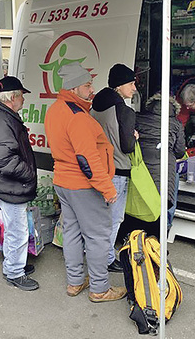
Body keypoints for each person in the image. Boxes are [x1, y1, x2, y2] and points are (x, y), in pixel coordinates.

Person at [45, 62, 126, 302]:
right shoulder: (78, 117)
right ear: (74, 88)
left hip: (63, 181)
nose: (92, 89)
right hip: (83, 185)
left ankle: (75, 282)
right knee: (98, 236)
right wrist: (108, 189)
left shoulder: (55, 109)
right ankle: (100, 288)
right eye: (87, 85)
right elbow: (87, 160)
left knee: (71, 233)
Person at [0, 76, 39, 291]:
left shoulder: (0, 115)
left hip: (6, 185)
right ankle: (15, 272)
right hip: (12, 186)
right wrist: (29, 175)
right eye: (22, 95)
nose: (23, 99)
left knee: (13, 227)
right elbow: (6, 161)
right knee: (18, 230)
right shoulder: (3, 119)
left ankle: (15, 263)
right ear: (13, 97)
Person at [91, 63, 138, 274]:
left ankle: (95, 253)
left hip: (98, 169)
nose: (134, 88)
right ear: (119, 86)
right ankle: (107, 259)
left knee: (99, 217)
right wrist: (134, 137)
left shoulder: (94, 106)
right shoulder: (124, 110)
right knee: (114, 218)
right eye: (131, 83)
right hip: (118, 170)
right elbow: (127, 146)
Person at [135, 93, 186, 235]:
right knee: (165, 201)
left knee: (141, 200)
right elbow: (180, 151)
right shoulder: (176, 123)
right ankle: (161, 237)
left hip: (141, 165)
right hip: (165, 167)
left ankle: (136, 237)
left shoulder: (138, 118)